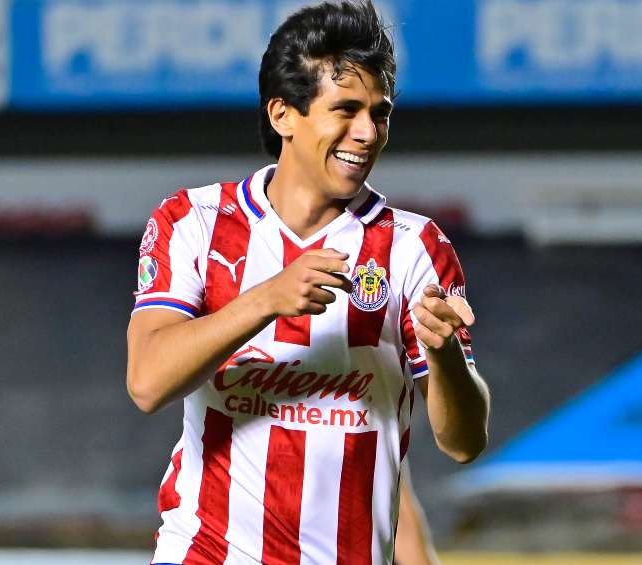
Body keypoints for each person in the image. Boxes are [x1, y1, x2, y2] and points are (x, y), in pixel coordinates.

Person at [126, 1, 490, 563]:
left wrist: (445, 358)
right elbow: (147, 382)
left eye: (380, 113)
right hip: (207, 551)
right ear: (283, 115)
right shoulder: (193, 222)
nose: (367, 133)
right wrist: (265, 299)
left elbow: (463, 443)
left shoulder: (414, 247)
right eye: (345, 109)